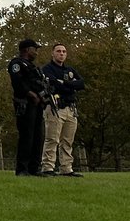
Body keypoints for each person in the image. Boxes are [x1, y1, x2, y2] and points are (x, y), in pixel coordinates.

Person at [40, 44, 85, 177]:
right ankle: (48, 167)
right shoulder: (47, 69)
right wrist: (71, 85)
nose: (61, 54)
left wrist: (65, 84)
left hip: (70, 108)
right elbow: (53, 84)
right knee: (52, 138)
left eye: (64, 51)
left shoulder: (70, 69)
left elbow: (81, 83)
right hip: (56, 107)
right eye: (58, 51)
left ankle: (66, 168)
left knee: (68, 140)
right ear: (52, 54)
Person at [8, 39, 48, 176]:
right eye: (34, 49)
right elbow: (18, 83)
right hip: (24, 103)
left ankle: (34, 168)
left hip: (37, 105)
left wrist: (42, 97)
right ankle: (22, 169)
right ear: (26, 49)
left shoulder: (33, 67)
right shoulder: (16, 64)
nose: (36, 52)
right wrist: (31, 94)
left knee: (38, 136)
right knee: (27, 136)